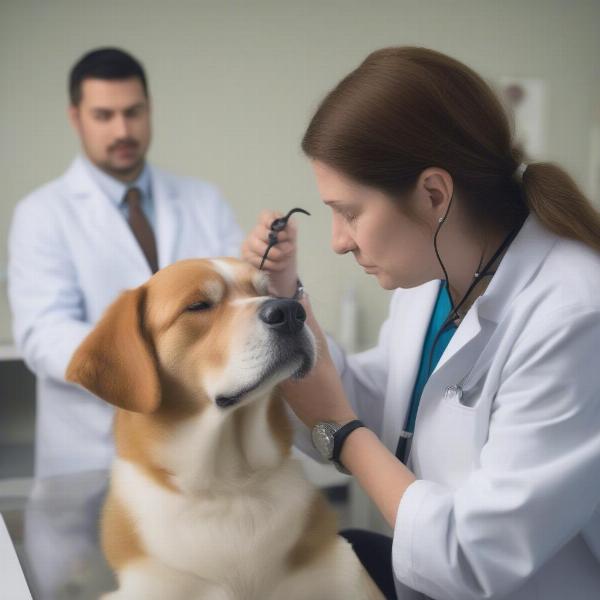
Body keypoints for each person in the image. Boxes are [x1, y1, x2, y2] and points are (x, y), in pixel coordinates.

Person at [242, 47, 600, 600]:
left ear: (434, 194)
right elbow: (382, 405)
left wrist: (340, 432)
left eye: (351, 212)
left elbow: (475, 559)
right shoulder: (432, 280)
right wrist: (284, 304)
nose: (337, 242)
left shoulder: (575, 315)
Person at [8, 48, 242, 479]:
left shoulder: (202, 200)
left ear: (149, 109)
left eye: (133, 112)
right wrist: (141, 364)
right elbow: (43, 332)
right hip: (91, 454)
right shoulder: (41, 213)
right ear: (76, 118)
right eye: (104, 116)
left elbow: (237, 298)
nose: (122, 130)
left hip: (201, 449)